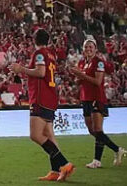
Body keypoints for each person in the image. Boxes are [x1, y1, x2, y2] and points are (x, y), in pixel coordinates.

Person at [10, 29, 74, 182]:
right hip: (50, 98)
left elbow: (40, 72)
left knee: (36, 135)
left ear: (34, 39)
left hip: (40, 98)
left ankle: (64, 164)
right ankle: (54, 171)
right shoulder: (51, 54)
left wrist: (21, 69)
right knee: (49, 136)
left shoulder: (39, 54)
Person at [70, 38, 126, 169]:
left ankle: (104, 157)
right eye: (86, 47)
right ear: (83, 50)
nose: (88, 49)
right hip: (85, 98)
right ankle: (113, 152)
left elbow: (97, 81)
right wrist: (76, 76)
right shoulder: (83, 62)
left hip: (97, 97)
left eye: (91, 47)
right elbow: (80, 81)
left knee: (98, 130)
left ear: (95, 49)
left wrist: (81, 75)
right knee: (92, 130)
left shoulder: (98, 62)